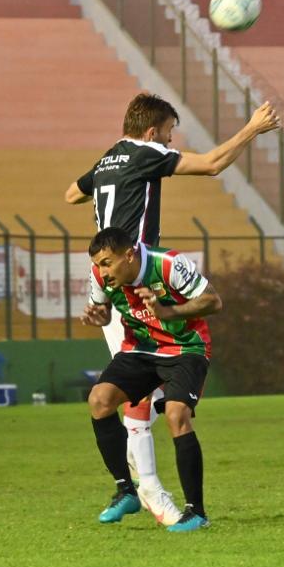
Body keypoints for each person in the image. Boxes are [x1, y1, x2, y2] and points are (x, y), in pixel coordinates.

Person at [63, 92, 280, 526]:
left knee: (132, 397)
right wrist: (253, 128)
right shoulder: (147, 153)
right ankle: (150, 492)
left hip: (116, 276)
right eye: (168, 133)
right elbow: (214, 163)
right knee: (144, 398)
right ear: (151, 132)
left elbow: (71, 194)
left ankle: (138, 489)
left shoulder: (110, 157)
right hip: (126, 276)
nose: (170, 141)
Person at [81, 227, 222, 533]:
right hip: (141, 349)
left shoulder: (168, 264)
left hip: (186, 348)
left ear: (129, 255)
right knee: (99, 401)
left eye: (107, 263)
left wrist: (166, 311)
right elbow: (105, 312)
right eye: (98, 265)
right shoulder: (99, 274)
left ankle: (196, 512)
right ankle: (126, 490)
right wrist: (99, 318)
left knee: (176, 414)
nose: (102, 272)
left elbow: (213, 301)